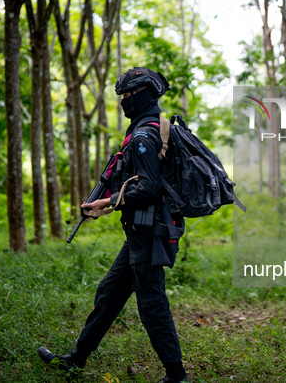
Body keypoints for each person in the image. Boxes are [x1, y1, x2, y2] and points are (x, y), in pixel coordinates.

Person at [37, 67, 189, 383]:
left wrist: (105, 203)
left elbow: (149, 188)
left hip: (148, 232)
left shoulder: (144, 136)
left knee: (152, 304)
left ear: (144, 95)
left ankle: (177, 376)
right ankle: (75, 361)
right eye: (122, 96)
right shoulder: (148, 129)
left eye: (129, 95)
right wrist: (109, 202)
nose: (124, 101)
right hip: (141, 231)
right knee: (110, 293)